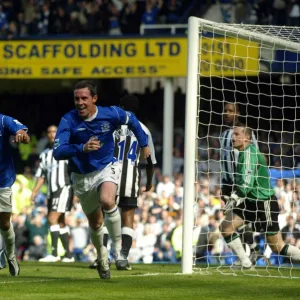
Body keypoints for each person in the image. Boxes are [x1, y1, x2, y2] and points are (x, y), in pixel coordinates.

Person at [53, 80, 150, 279]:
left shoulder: (111, 113)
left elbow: (131, 119)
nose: (79, 102)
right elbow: (58, 151)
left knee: (108, 200)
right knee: (96, 224)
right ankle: (101, 255)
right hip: (81, 176)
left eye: (84, 98)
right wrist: (81, 148)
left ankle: (117, 250)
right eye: (76, 99)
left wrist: (144, 143)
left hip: (107, 167)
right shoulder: (68, 120)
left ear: (94, 99)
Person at [91, 94, 156, 270]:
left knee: (103, 216)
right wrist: (149, 181)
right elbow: (149, 159)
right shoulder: (143, 129)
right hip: (130, 176)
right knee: (127, 217)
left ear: (119, 107)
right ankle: (122, 258)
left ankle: (101, 257)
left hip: (107, 174)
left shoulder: (108, 125)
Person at [220, 125, 300, 268]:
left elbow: (247, 183)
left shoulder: (250, 154)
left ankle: (253, 253)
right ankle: (246, 262)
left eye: (237, 134)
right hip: (251, 201)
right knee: (226, 227)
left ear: (247, 138)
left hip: (265, 203)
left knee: (277, 247)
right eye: (233, 135)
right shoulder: (244, 153)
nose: (233, 138)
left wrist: (234, 198)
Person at [219, 102, 259, 262]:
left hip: (242, 183)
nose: (227, 113)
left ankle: (249, 256)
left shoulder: (245, 133)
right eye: (225, 110)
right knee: (235, 222)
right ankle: (253, 251)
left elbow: (254, 154)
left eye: (231, 111)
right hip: (228, 184)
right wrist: (223, 183)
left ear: (238, 113)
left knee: (234, 221)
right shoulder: (223, 135)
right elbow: (223, 160)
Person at [31, 125, 74, 263]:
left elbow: (74, 170)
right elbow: (41, 175)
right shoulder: (44, 154)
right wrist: (34, 192)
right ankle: (68, 255)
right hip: (51, 191)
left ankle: (54, 253)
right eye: (49, 132)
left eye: (54, 131)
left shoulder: (66, 150)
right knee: (60, 222)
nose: (51, 134)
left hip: (63, 188)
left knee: (52, 219)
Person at [0, 114, 30, 276]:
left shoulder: (3, 120)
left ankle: (11, 255)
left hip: (2, 179)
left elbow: (24, 135)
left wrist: (21, 135)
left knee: (4, 224)